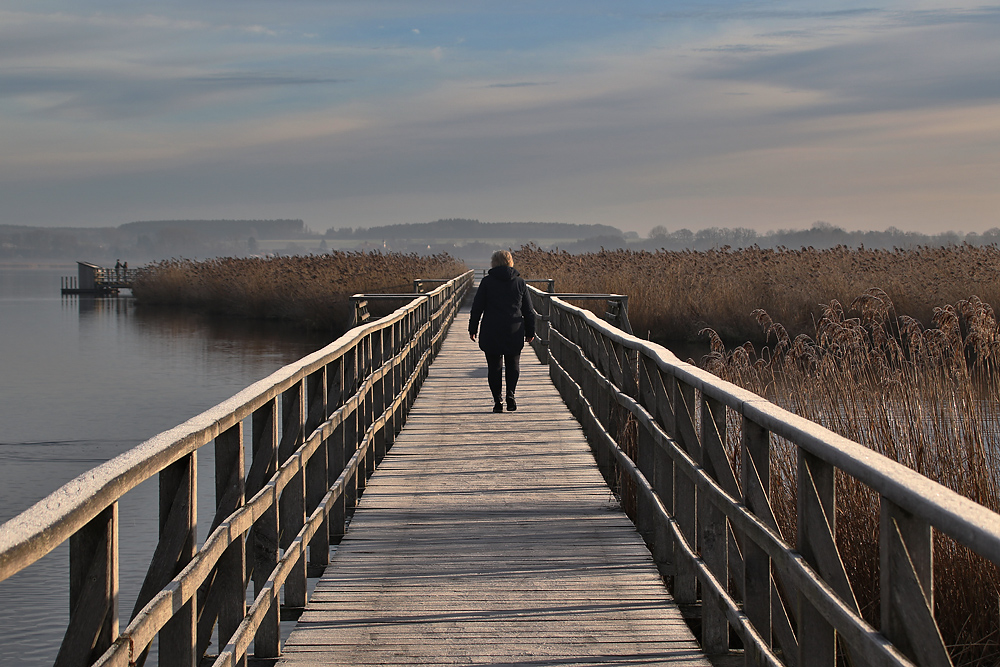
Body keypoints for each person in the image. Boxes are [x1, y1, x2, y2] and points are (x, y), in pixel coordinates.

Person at [469, 250, 536, 413]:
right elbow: (529, 310)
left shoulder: (486, 282)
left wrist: (473, 328)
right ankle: (511, 394)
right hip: (514, 328)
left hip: (491, 328)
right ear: (510, 262)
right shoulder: (520, 282)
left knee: (494, 366)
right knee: (513, 364)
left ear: (494, 263)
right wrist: (530, 331)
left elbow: (477, 307)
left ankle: (497, 401)